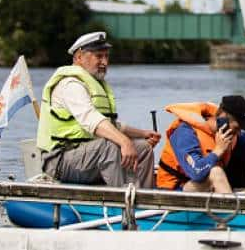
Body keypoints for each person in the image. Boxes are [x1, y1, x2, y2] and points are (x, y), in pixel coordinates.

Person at [36, 32, 160, 188]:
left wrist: (143, 134)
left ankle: (145, 199)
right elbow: (93, 121)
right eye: (99, 56)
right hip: (60, 161)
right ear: (79, 57)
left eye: (106, 57)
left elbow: (111, 125)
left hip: (86, 155)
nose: (105, 62)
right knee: (110, 146)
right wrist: (124, 141)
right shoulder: (71, 85)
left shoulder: (93, 84)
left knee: (142, 148)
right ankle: (125, 202)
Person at [155, 96, 245, 192]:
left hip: (204, 190)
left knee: (239, 162)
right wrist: (217, 151)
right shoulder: (185, 132)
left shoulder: (231, 134)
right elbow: (197, 173)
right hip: (175, 191)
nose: (238, 133)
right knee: (215, 171)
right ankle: (233, 219)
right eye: (237, 128)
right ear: (222, 118)